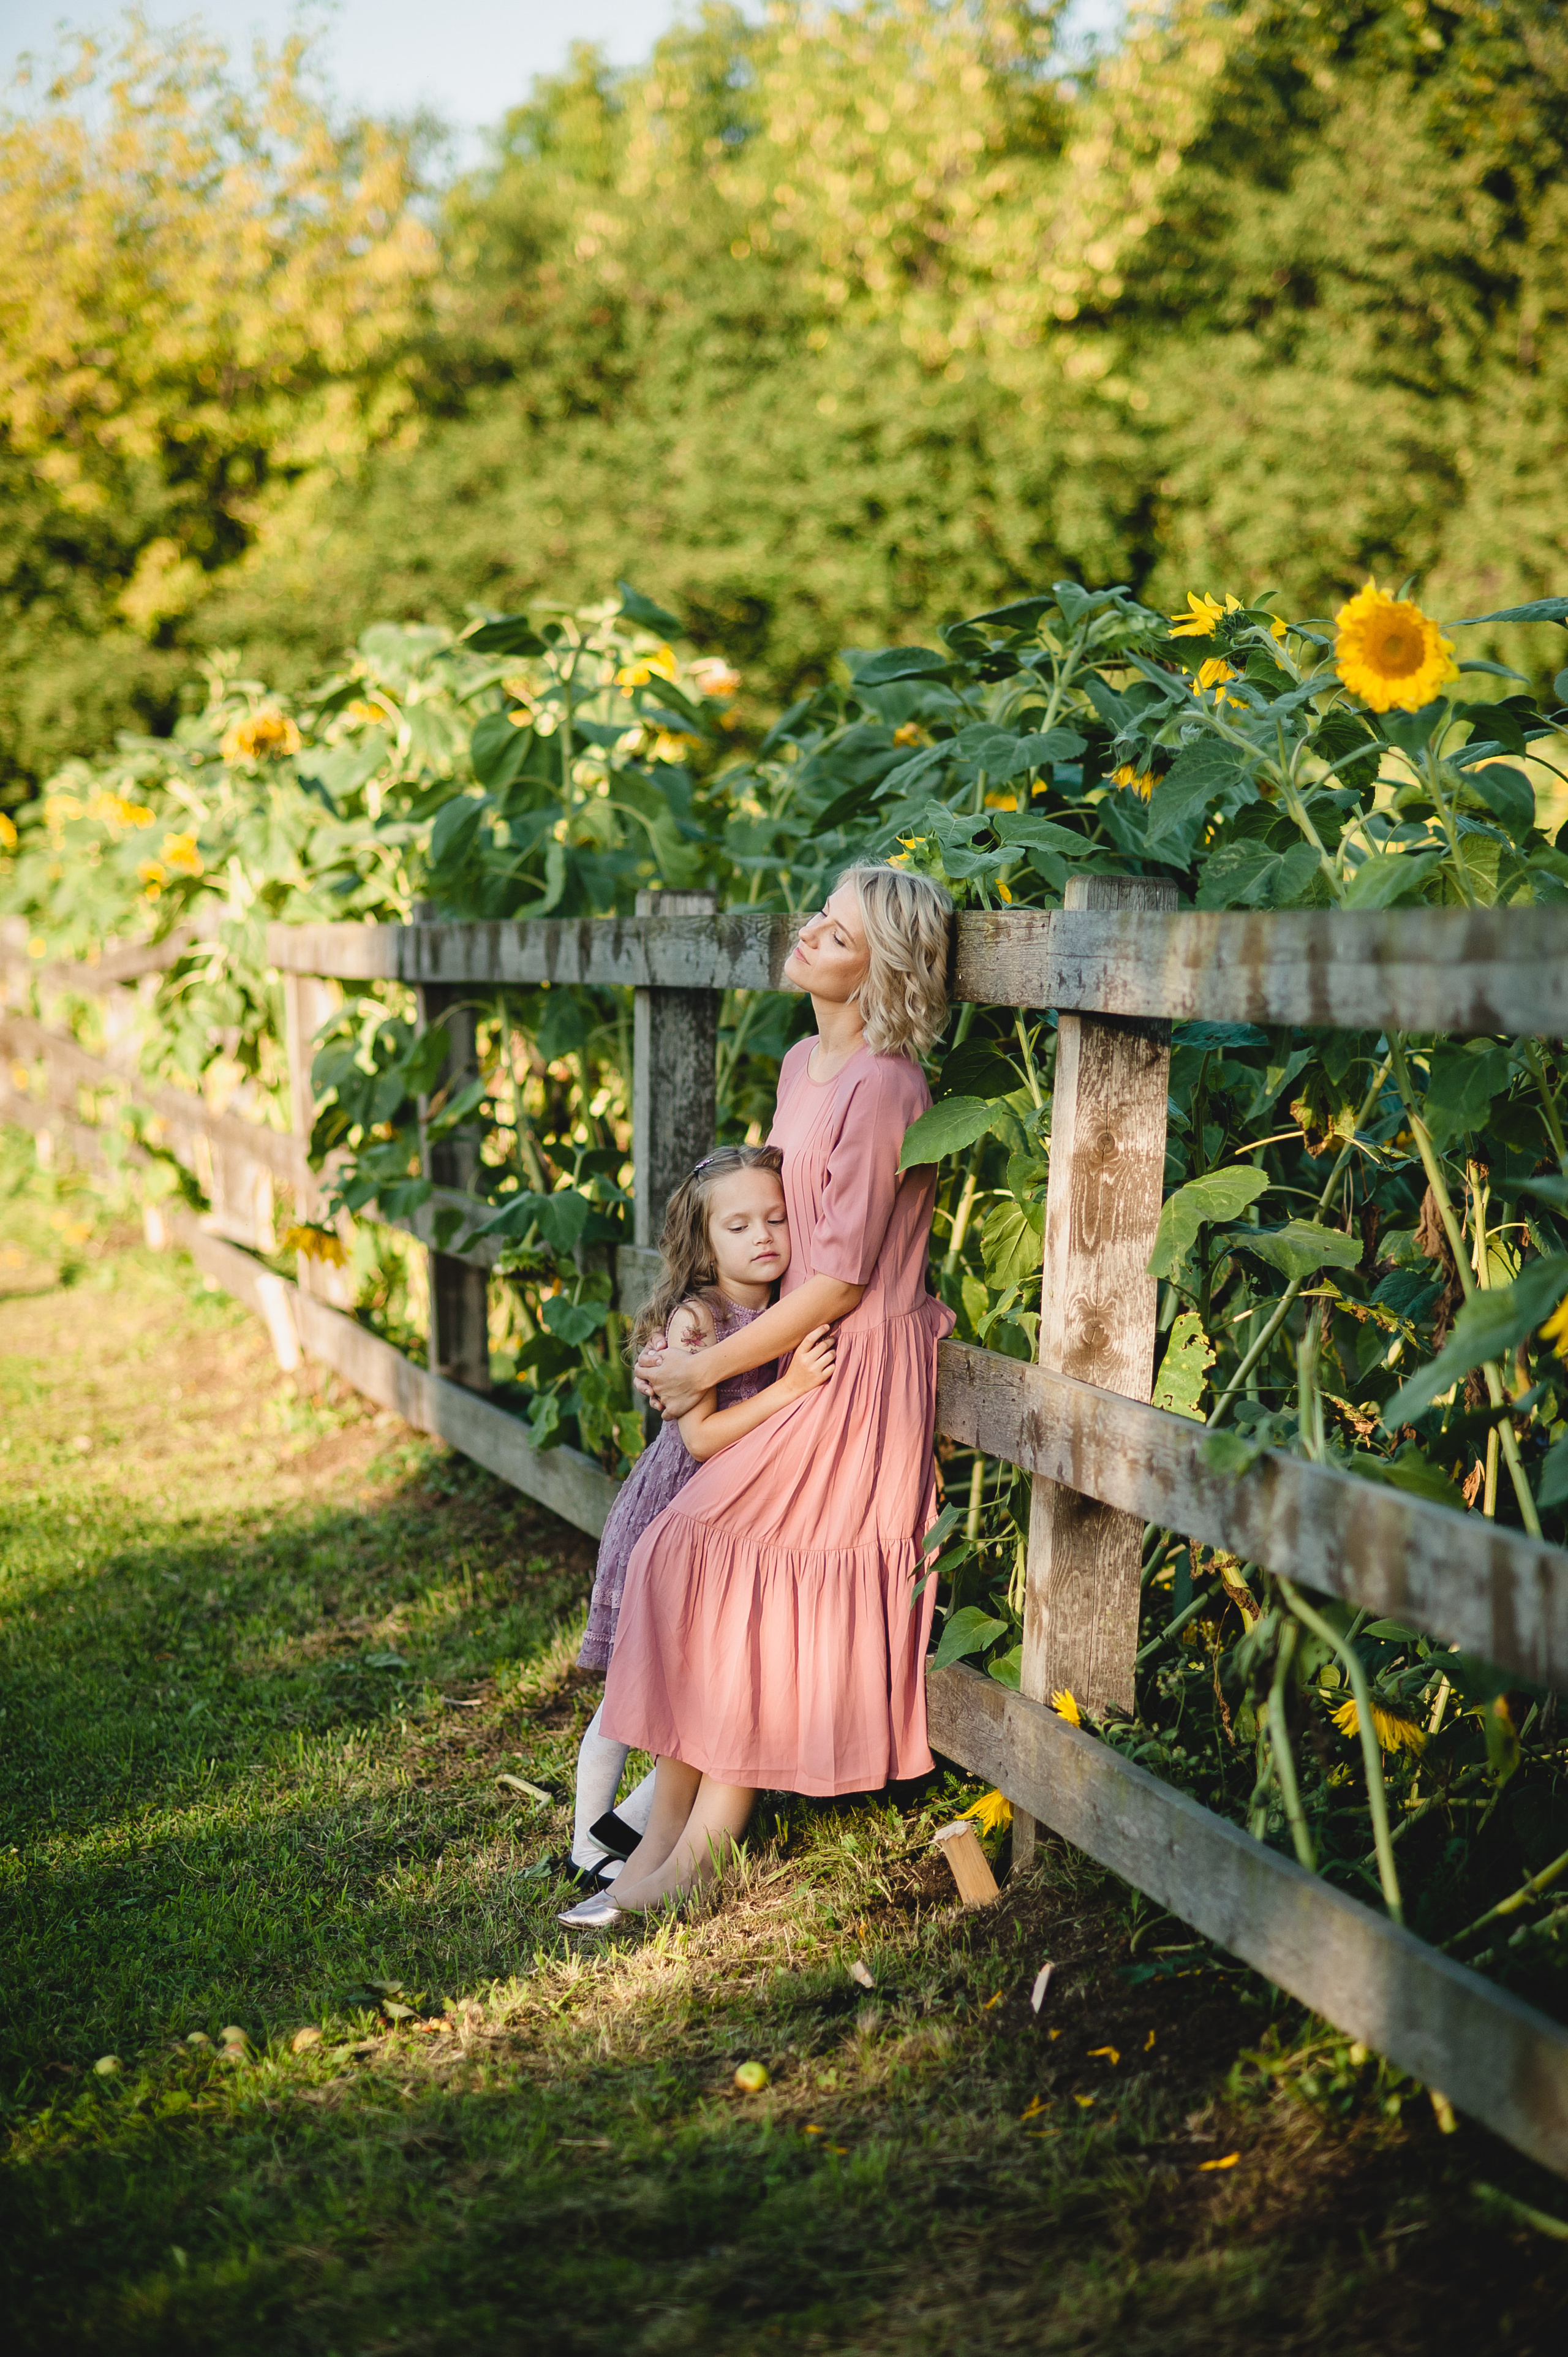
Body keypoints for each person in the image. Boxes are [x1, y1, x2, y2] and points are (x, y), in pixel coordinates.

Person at [559, 861, 954, 1931]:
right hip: (797, 1357)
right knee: (682, 1557)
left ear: (881, 969)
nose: (811, 931)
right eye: (821, 914)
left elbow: (841, 1278)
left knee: (731, 1570)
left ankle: (697, 1860)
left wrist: (706, 1371)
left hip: (853, 1370)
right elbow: (778, 1244)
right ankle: (654, 1849)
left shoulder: (886, 1085)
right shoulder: (798, 1063)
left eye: (840, 931)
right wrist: (702, 1326)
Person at [567, 1146, 837, 1890]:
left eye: (776, 1219)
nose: (763, 1237)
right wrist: (791, 1389)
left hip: (729, 1524)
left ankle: (629, 1830)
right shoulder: (700, 1317)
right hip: (673, 1515)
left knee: (695, 1687)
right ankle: (586, 1841)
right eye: (738, 1225)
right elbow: (702, 1438)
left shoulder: (787, 1305)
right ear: (704, 1241)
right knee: (634, 1689)